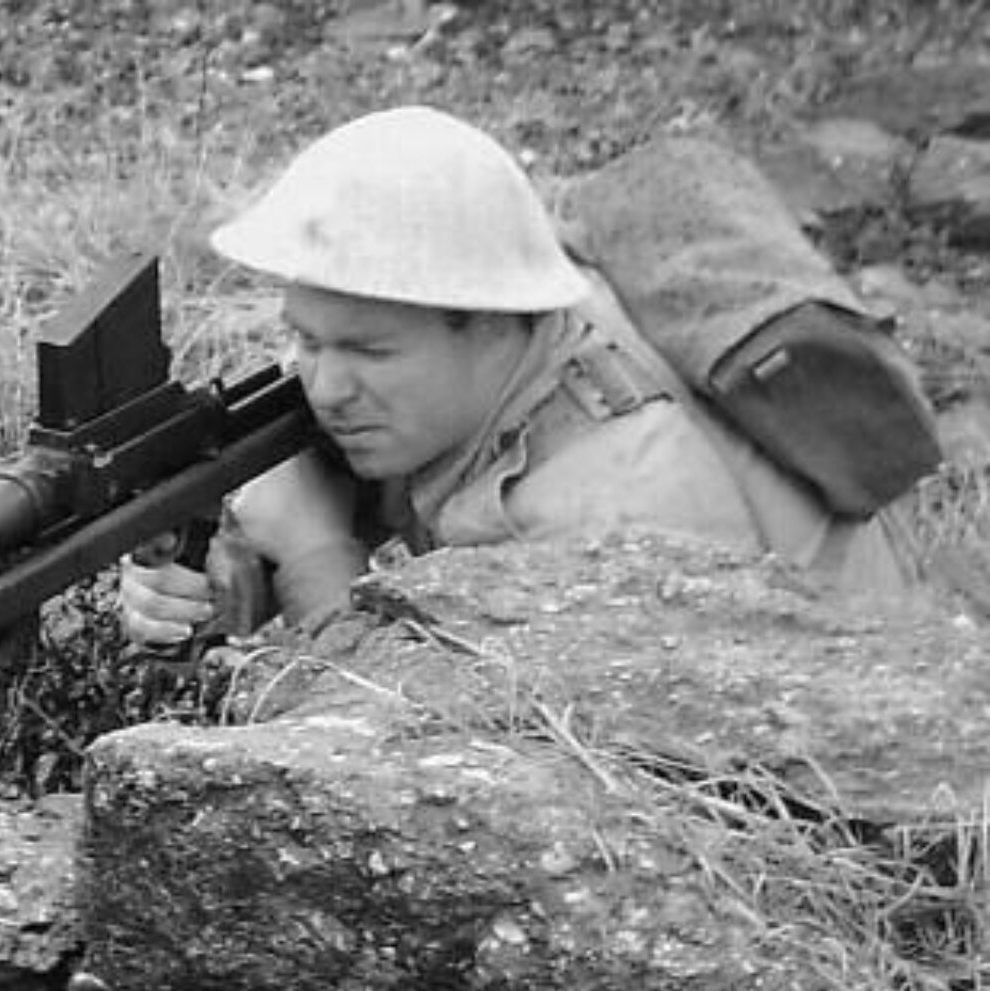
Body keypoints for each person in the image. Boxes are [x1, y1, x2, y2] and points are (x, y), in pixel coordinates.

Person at [118, 106, 924, 647]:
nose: (325, 388)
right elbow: (314, 493)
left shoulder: (616, 517)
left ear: (493, 321)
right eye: (307, 339)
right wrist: (215, 583)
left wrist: (313, 552)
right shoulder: (502, 362)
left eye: (370, 352)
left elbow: (443, 769)